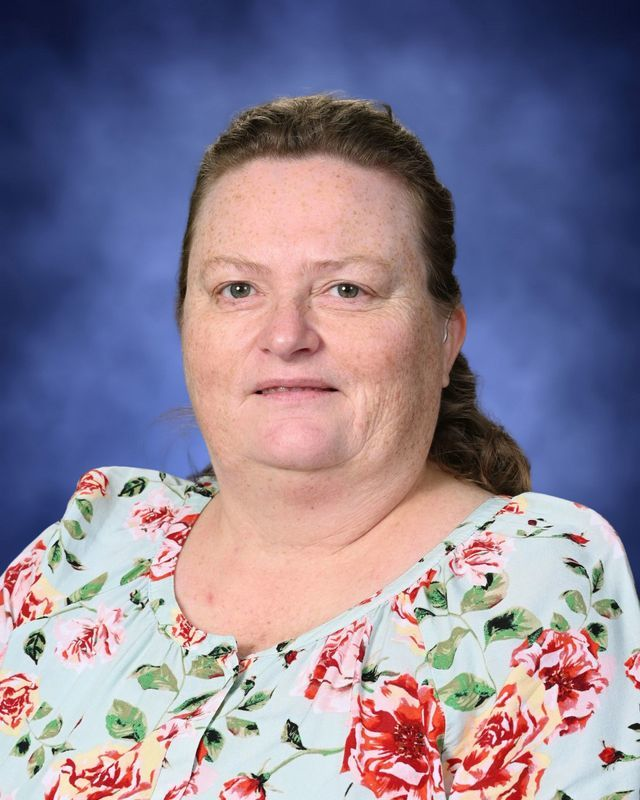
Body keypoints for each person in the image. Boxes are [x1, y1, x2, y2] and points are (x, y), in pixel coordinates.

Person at [0, 94, 638, 800]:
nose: (286, 336)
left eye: (347, 289)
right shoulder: (86, 552)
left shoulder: (541, 583)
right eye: (237, 288)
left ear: (444, 339)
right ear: (186, 325)